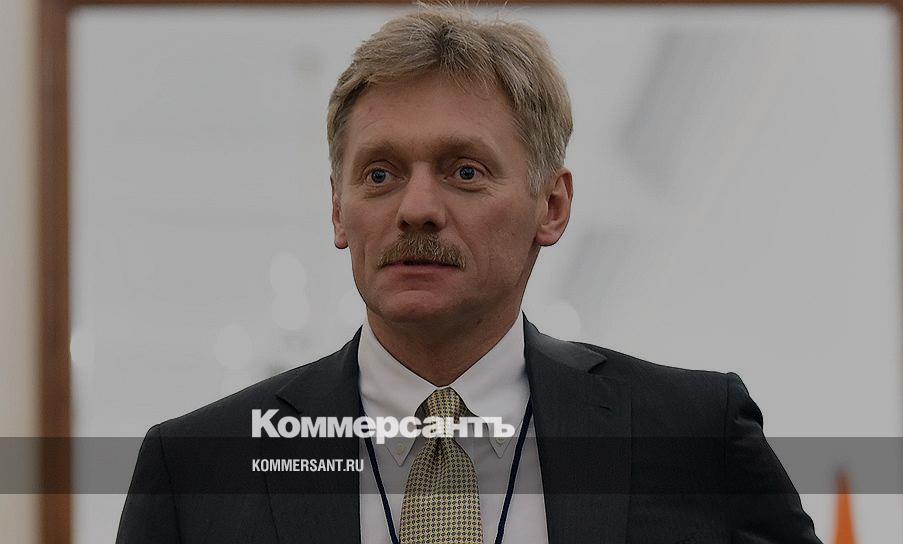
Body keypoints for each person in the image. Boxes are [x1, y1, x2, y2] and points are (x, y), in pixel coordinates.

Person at [118, 5, 822, 543]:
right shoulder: (197, 469)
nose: (416, 209)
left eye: (464, 171)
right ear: (338, 211)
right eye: (380, 174)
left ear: (552, 206)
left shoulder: (695, 436)